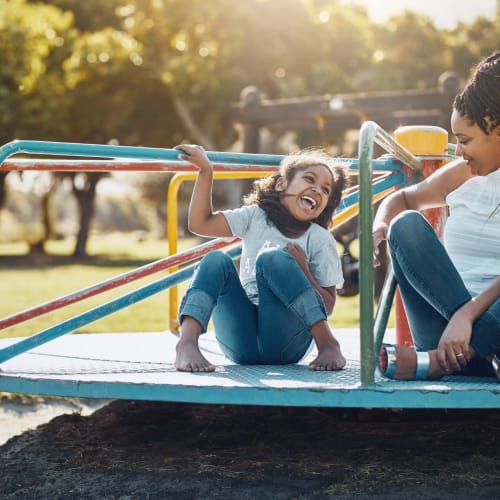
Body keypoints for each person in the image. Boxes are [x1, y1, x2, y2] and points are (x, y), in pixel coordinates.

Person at [373, 51, 500, 380]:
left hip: (485, 323)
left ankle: (436, 364)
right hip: (443, 333)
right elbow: (403, 199)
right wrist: (380, 225)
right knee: (406, 227)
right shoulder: (461, 174)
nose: (458, 152)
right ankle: (466, 358)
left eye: (465, 140)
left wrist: (469, 317)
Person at [173, 144, 348, 372]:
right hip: (241, 344)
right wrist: (206, 171)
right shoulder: (256, 217)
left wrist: (302, 269)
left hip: (286, 343)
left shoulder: (320, 239)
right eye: (309, 179)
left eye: (326, 190)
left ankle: (328, 344)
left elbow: (329, 305)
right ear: (281, 184)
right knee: (215, 259)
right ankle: (186, 344)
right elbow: (200, 223)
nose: (317, 190)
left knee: (272, 259)